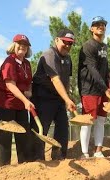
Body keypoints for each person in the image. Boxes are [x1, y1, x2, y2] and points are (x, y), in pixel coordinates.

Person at [29, 28, 76, 161]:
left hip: (58, 98)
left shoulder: (68, 59)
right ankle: (37, 161)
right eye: (65, 42)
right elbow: (55, 79)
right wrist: (66, 99)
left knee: (63, 127)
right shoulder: (49, 54)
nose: (67, 45)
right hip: (42, 96)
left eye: (70, 43)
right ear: (56, 40)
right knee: (41, 129)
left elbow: (66, 80)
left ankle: (59, 157)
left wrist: (68, 97)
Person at [0, 34, 35, 167]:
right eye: (19, 44)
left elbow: (29, 82)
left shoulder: (27, 64)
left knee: (23, 138)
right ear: (13, 45)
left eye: (25, 45)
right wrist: (25, 100)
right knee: (5, 141)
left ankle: (23, 168)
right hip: (4, 105)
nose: (23, 47)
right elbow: (10, 85)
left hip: (20, 106)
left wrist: (29, 92)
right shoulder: (9, 62)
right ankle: (4, 170)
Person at [77, 16, 110, 159]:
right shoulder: (88, 46)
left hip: (102, 88)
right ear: (91, 29)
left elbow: (104, 64)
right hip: (90, 89)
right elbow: (92, 69)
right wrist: (105, 88)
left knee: (101, 120)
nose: (101, 27)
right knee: (88, 121)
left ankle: (98, 151)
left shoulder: (104, 46)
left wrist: (109, 71)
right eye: (97, 25)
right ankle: (84, 153)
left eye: (103, 24)